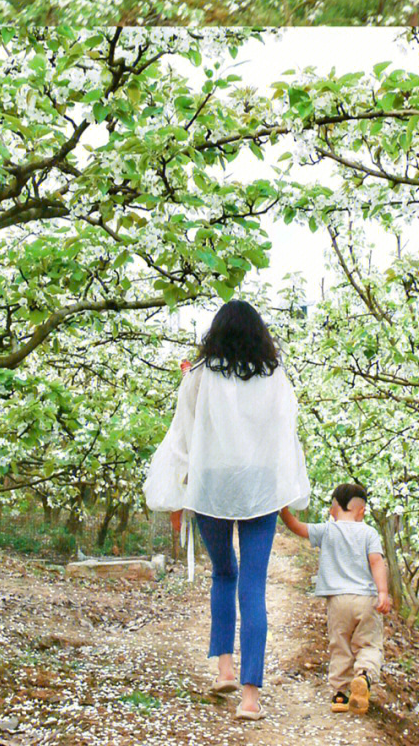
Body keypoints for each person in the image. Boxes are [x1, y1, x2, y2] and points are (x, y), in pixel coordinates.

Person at [145, 301, 310, 721]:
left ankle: (224, 669)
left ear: (214, 334)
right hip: (259, 486)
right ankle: (250, 698)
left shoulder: (198, 377)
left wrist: (178, 491)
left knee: (223, 573)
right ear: (259, 335)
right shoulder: (275, 378)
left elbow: (182, 437)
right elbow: (285, 435)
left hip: (213, 485)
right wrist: (286, 490)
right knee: (253, 586)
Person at [280, 482, 391, 714]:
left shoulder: (327, 530)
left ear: (333, 508)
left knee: (339, 646)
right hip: (366, 600)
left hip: (337, 602)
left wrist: (283, 510)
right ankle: (363, 675)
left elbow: (296, 527)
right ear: (361, 511)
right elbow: (376, 562)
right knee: (369, 644)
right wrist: (383, 592)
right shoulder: (369, 532)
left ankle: (340, 696)